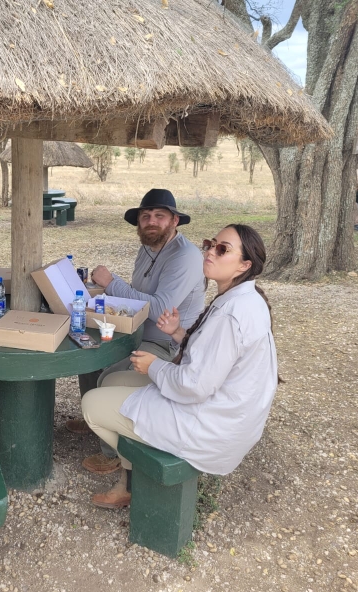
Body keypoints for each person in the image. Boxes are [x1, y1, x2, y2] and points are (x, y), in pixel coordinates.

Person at [82, 224, 279, 508]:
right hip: (219, 410)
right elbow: (216, 356)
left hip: (211, 424)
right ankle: (130, 477)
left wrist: (154, 367)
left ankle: (140, 479)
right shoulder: (241, 298)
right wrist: (178, 333)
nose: (211, 251)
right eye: (211, 244)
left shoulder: (232, 314)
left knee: (91, 404)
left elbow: (194, 386)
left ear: (244, 265)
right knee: (112, 381)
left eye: (223, 249)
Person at [70, 189, 206, 475]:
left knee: (109, 375)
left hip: (168, 345)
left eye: (159, 216)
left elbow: (158, 310)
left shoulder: (186, 256)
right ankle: (93, 419)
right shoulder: (148, 249)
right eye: (145, 216)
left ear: (175, 221)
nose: (151, 221)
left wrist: (111, 283)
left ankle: (113, 454)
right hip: (136, 332)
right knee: (88, 349)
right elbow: (136, 298)